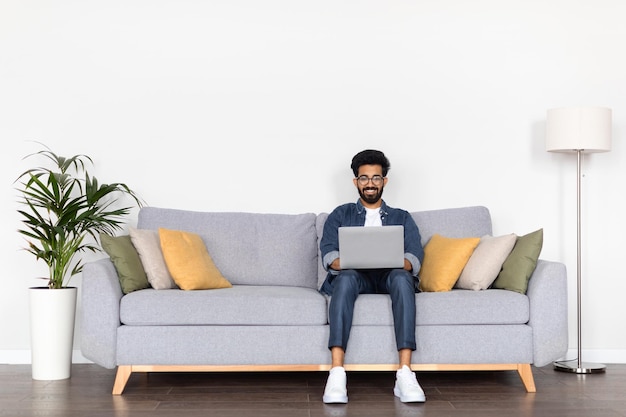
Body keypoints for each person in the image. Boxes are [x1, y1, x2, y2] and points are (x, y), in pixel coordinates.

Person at [319, 149, 425, 404]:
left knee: (402, 278)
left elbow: (414, 257)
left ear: (384, 181)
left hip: (390, 276)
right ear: (356, 182)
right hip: (355, 277)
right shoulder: (340, 214)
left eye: (376, 178)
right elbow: (329, 254)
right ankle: (336, 373)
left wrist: (390, 260)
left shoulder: (402, 217)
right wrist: (353, 260)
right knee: (344, 278)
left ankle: (405, 373)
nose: (370, 183)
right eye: (364, 178)